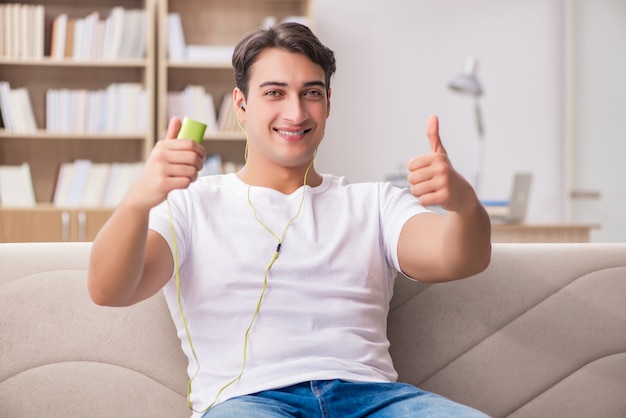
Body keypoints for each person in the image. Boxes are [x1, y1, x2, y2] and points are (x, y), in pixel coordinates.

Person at [88, 22, 491, 418]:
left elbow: (460, 258)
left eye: (311, 93)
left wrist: (463, 204)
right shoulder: (190, 205)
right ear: (241, 106)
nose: (295, 112)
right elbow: (109, 290)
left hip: (373, 400)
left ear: (328, 104)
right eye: (274, 93)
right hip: (249, 403)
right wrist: (138, 201)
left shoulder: (375, 203)